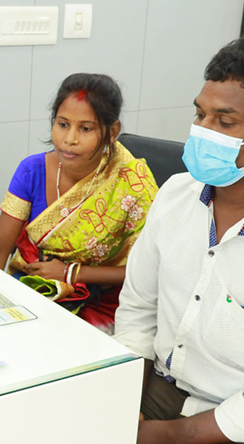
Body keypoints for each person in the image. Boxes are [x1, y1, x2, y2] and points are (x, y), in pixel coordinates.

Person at [114, 38, 244, 443]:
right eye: (199, 114)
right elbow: (138, 309)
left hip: (223, 419)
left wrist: (164, 436)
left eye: (224, 122)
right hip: (153, 386)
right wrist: (122, 400)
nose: (203, 131)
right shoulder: (174, 195)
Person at [0, 73, 158, 333]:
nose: (70, 139)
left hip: (105, 302)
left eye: (85, 129)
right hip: (33, 287)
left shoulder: (132, 183)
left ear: (112, 132)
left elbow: (146, 271)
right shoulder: (32, 170)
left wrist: (70, 273)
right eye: (63, 124)